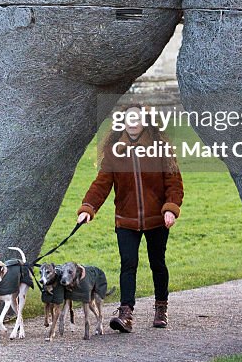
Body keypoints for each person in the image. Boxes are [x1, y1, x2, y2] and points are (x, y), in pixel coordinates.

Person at [77, 105, 184, 332]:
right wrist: (88, 208)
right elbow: (101, 184)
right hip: (125, 220)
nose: (133, 122)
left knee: (158, 263)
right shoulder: (115, 151)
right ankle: (126, 313)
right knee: (128, 264)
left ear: (145, 122)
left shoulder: (161, 148)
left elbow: (174, 182)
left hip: (157, 219)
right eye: (128, 119)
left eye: (137, 118)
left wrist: (170, 209)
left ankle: (161, 308)